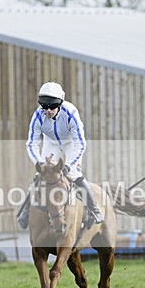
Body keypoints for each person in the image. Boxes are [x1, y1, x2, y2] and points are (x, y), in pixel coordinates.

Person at [16, 81, 104, 229]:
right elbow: (31, 144)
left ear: (61, 103)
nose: (48, 110)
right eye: (45, 105)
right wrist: (39, 163)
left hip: (71, 144)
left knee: (75, 174)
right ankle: (25, 211)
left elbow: (80, 144)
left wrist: (68, 165)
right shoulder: (38, 115)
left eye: (53, 106)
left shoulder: (71, 113)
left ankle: (95, 210)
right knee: (40, 176)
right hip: (51, 143)